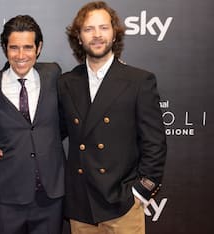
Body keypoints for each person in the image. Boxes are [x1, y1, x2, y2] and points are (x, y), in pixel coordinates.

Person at [58, 1, 167, 233]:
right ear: (79, 37)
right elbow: (51, 131)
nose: (97, 35)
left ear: (114, 33)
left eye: (103, 28)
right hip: (81, 206)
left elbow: (154, 143)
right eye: (88, 29)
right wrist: (5, 142)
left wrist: (140, 192)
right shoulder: (67, 83)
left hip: (122, 206)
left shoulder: (139, 81)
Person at [0, 15, 65, 234]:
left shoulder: (53, 74)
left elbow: (64, 122)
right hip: (8, 197)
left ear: (39, 47)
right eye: (14, 48)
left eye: (28, 47)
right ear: (5, 49)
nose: (21, 55)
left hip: (51, 197)